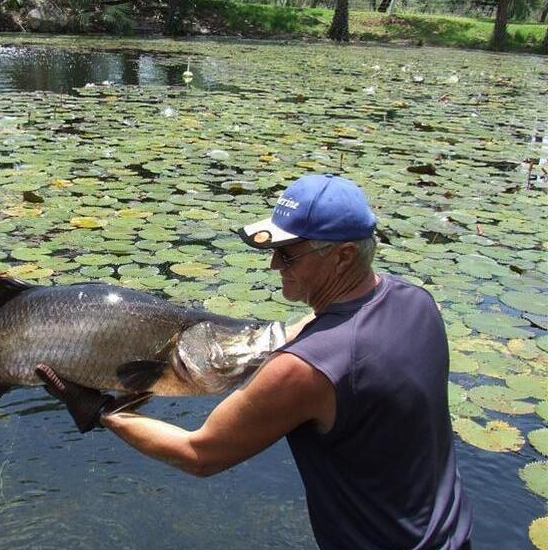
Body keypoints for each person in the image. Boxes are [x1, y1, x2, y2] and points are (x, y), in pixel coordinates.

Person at [36, 173, 473, 550]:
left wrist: (102, 412)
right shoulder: (415, 301)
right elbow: (326, 331)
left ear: (341, 255)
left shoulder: (304, 371)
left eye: (287, 254)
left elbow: (198, 453)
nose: (272, 264)